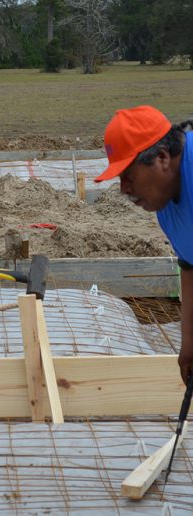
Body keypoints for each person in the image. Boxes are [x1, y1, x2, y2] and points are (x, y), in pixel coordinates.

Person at [95, 105, 193, 385]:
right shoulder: (164, 204)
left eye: (129, 175)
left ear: (162, 157)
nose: (123, 188)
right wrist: (189, 343)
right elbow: (189, 264)